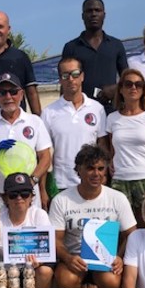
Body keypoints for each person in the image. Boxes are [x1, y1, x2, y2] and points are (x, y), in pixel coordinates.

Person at [49, 144, 137, 288]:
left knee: (111, 281)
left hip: (106, 258)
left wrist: (119, 257)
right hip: (75, 258)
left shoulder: (117, 198)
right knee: (66, 279)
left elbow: (132, 235)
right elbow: (55, 239)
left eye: (101, 169)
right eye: (90, 168)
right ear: (78, 170)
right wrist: (68, 258)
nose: (96, 173)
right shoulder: (61, 200)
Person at [0, 73, 52, 209]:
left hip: (28, 197)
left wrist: (33, 180)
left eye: (13, 92)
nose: (8, 97)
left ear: (22, 94)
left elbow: (45, 157)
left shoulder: (35, 121)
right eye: (2, 92)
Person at [41, 57, 108, 196]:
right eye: (65, 75)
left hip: (92, 182)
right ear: (60, 79)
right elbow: (43, 154)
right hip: (61, 184)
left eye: (75, 74)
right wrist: (42, 190)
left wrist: (104, 176)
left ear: (82, 76)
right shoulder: (49, 112)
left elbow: (103, 146)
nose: (71, 79)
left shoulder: (97, 109)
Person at [0, 173, 54, 288]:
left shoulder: (39, 215)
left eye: (25, 194)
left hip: (31, 269)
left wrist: (39, 262)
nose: (19, 198)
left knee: (45, 271)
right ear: (5, 198)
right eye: (13, 194)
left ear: (32, 197)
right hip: (3, 272)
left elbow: (47, 252)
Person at [107, 68, 145, 225]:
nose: (133, 88)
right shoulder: (112, 118)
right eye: (129, 84)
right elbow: (113, 151)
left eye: (138, 85)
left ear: (143, 90)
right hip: (120, 179)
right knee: (121, 229)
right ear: (121, 89)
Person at [62, 0, 128, 113]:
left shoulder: (116, 45)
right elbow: (65, 82)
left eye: (97, 10)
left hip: (111, 110)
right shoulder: (71, 47)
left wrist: (115, 89)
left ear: (104, 15)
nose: (93, 14)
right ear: (83, 16)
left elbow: (127, 78)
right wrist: (63, 111)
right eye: (89, 11)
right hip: (81, 111)